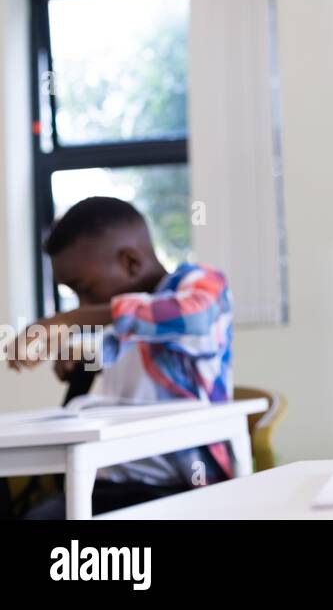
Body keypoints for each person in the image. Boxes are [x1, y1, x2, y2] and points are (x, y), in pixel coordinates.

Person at [7, 197, 234, 518]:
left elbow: (193, 316)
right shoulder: (119, 324)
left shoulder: (200, 284)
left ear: (130, 262)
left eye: (84, 288)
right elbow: (117, 349)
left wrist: (71, 318)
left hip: (179, 487)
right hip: (109, 481)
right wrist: (77, 361)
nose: (83, 302)